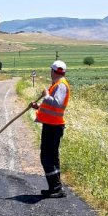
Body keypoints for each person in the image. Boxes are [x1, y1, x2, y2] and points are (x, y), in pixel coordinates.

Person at [30, 60, 71, 198]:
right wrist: (38, 107)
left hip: (53, 127)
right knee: (52, 157)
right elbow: (51, 107)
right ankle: (55, 187)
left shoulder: (61, 85)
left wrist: (46, 96)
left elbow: (57, 104)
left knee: (47, 157)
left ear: (53, 71)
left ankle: (56, 188)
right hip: (52, 126)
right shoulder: (58, 85)